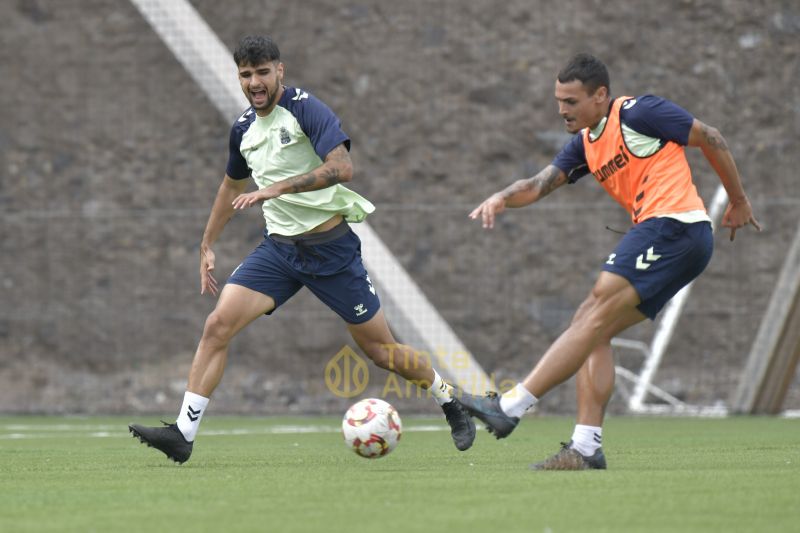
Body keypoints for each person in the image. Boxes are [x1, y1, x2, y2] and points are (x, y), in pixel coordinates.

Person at [129, 35, 475, 463]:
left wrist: (275, 189)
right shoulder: (243, 129)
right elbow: (230, 187)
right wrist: (207, 243)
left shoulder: (306, 109)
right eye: (245, 74)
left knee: (381, 352)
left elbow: (342, 167)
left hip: (331, 252)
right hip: (279, 253)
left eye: (261, 72)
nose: (254, 82)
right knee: (217, 325)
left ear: (280, 71)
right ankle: (183, 433)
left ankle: (450, 402)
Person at [456, 53, 760, 470]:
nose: (562, 109)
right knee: (591, 328)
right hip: (668, 235)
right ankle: (585, 447)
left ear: (601, 96)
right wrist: (501, 197)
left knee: (595, 308)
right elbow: (538, 185)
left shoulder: (640, 112)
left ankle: (508, 408)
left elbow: (711, 136)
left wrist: (739, 200)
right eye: (559, 100)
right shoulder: (585, 143)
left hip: (673, 226)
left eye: (571, 101)